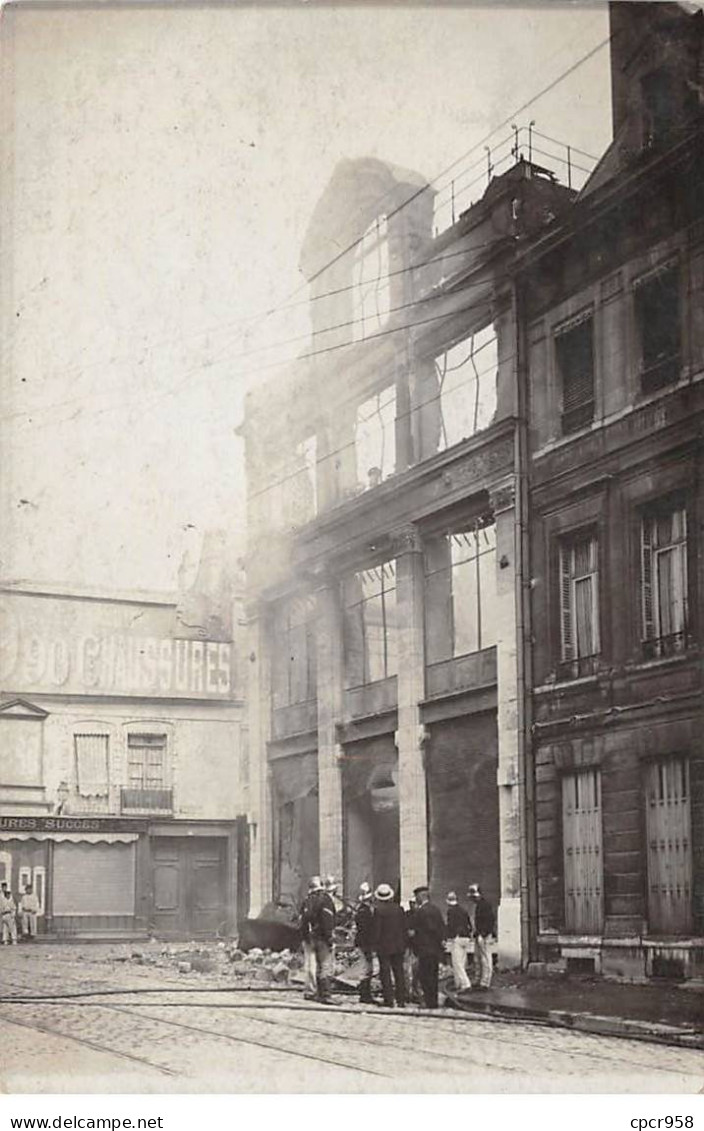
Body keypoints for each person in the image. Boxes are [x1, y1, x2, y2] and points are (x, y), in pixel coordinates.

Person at [299, 874, 336, 1003]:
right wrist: (330, 937)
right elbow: (327, 920)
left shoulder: (306, 900)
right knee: (325, 965)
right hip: (321, 937)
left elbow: (302, 921)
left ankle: (310, 991)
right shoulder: (325, 900)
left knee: (310, 965)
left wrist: (304, 937)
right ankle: (325, 994)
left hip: (309, 938)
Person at [371, 883, 407, 1008]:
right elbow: (404, 928)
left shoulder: (378, 911)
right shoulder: (399, 909)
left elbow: (377, 930)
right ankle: (401, 1000)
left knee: (385, 973)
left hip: (384, 946)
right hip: (398, 945)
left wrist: (375, 945)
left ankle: (389, 1000)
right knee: (399, 973)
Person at [411, 885, 446, 1009]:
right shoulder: (436, 909)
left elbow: (419, 931)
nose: (415, 899)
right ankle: (433, 1002)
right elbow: (441, 928)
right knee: (433, 976)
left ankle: (428, 1001)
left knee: (425, 976)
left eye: (416, 897)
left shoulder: (421, 912)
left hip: (425, 949)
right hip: (435, 949)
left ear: (421, 897)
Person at [467, 883, 496, 990]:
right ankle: (479, 979)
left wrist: (483, 933)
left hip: (484, 935)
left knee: (485, 959)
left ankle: (485, 982)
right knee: (478, 959)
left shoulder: (485, 905)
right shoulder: (480, 905)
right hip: (480, 934)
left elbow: (490, 920)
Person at [445, 891, 471, 992]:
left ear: (448, 901)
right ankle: (458, 983)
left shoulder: (451, 911)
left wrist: (448, 936)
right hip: (466, 937)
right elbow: (468, 924)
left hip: (458, 937)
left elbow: (451, 925)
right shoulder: (463, 910)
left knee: (457, 963)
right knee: (463, 960)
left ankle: (465, 984)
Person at [354, 882, 375, 1004]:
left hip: (363, 942)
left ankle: (365, 993)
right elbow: (366, 930)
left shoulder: (362, 910)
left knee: (367, 969)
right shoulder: (365, 912)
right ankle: (365, 994)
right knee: (366, 969)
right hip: (365, 943)